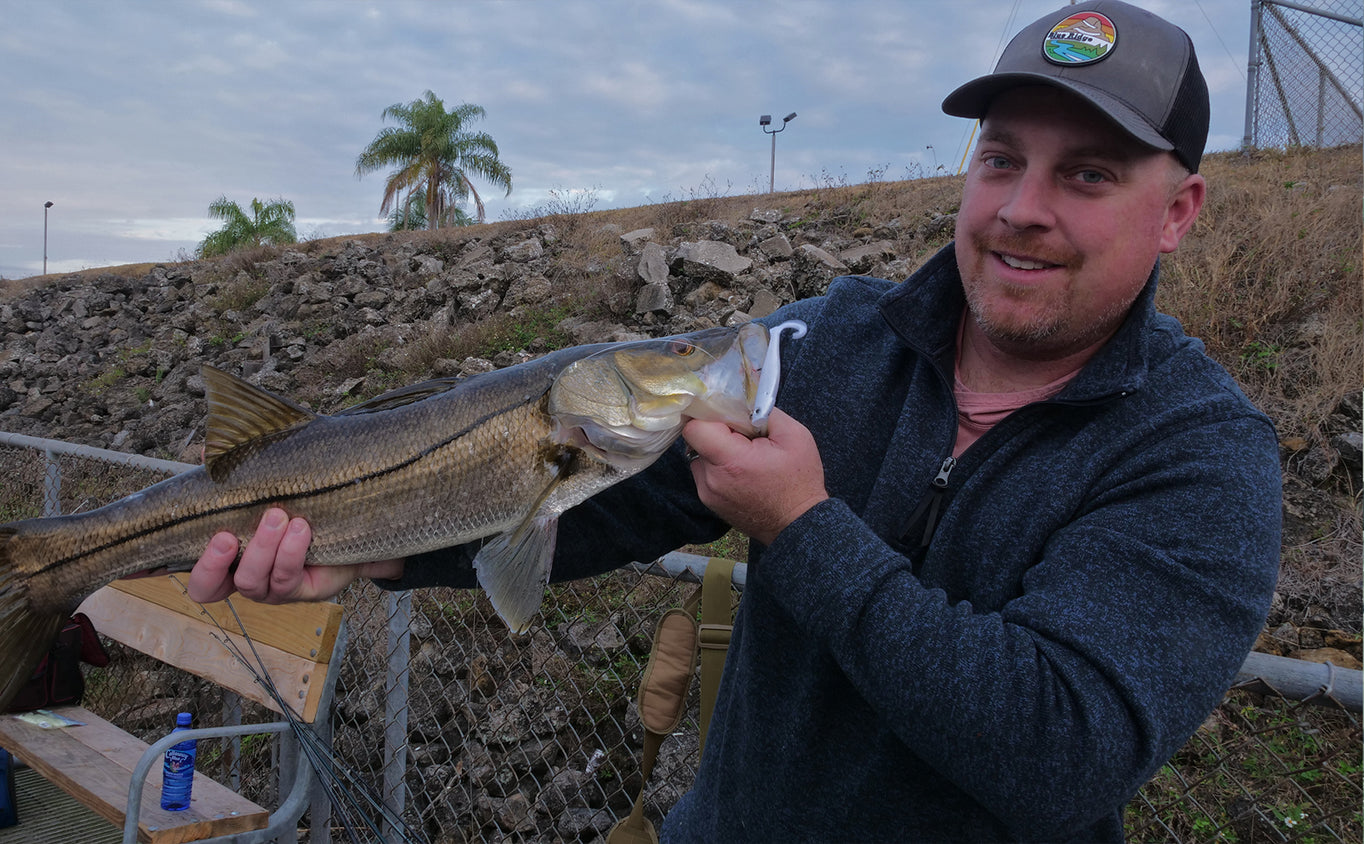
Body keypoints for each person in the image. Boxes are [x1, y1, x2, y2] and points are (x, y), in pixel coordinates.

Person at [188, 2, 1281, 840]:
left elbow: (1061, 751)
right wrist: (373, 550)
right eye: (1001, 158)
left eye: (1088, 174)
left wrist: (804, 528)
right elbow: (625, 496)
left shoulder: (1199, 456)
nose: (1022, 209)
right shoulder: (834, 342)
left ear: (1177, 211)